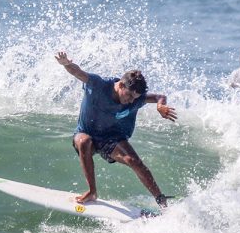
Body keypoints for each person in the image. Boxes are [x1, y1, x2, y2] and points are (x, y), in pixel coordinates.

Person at [55, 51, 177, 208]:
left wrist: (160, 106)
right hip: (87, 133)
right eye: (129, 96)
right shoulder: (98, 84)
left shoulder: (135, 97)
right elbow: (77, 72)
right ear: (120, 85)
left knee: (134, 161)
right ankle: (92, 191)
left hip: (111, 138)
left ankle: (161, 201)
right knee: (84, 141)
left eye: (135, 98)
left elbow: (158, 96)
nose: (131, 101)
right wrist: (66, 63)